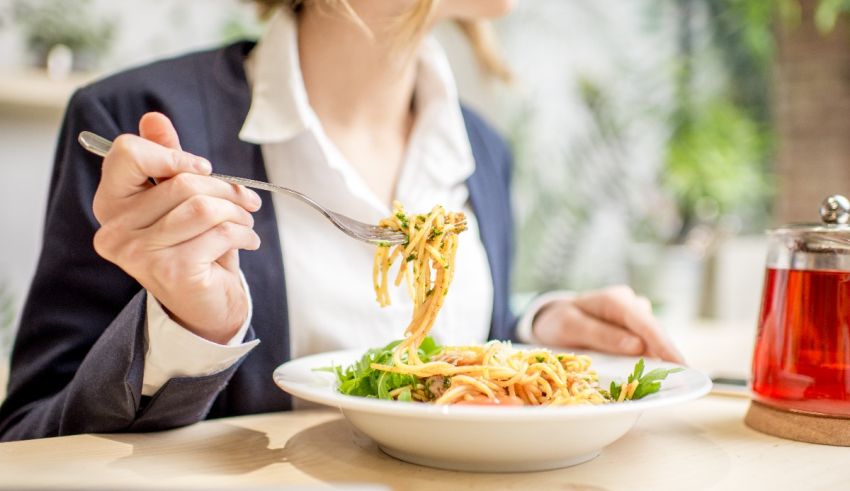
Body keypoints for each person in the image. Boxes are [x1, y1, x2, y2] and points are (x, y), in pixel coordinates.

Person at [0, 0, 682, 442]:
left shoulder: (482, 147)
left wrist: (532, 328)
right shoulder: (137, 119)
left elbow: (428, 357)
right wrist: (186, 330)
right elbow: (30, 439)